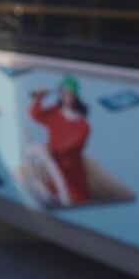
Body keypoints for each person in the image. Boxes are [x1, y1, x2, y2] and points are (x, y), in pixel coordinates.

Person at [28, 76, 91, 204]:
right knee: (53, 193)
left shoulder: (83, 125)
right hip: (53, 164)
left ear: (75, 96)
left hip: (71, 170)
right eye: (63, 93)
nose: (66, 96)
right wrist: (38, 99)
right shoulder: (56, 112)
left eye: (69, 93)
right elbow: (36, 115)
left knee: (76, 199)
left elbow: (74, 145)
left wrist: (52, 150)